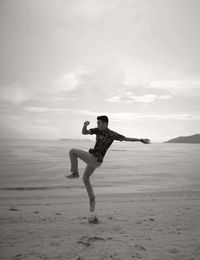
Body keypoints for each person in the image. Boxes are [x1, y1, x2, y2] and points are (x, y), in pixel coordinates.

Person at [66, 115, 151, 214]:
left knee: (72, 151)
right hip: (95, 160)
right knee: (85, 178)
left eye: (99, 123)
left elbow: (125, 138)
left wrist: (141, 140)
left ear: (105, 123)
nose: (97, 124)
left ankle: (75, 173)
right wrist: (85, 125)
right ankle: (92, 199)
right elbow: (84, 132)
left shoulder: (112, 134)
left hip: (95, 160)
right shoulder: (97, 130)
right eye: (97, 123)